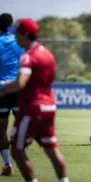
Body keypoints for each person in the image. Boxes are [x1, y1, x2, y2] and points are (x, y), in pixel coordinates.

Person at [0, 18, 69, 182]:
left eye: (17, 34)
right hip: (49, 106)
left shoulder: (27, 57)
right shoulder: (47, 54)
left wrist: (3, 88)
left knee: (17, 150)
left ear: (25, 35)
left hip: (32, 107)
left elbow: (20, 82)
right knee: (52, 150)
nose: (15, 38)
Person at [0, 13, 24, 176]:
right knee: (22, 125)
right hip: (18, 88)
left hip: (1, 90)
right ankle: (22, 160)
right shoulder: (19, 41)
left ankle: (7, 164)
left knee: (1, 128)